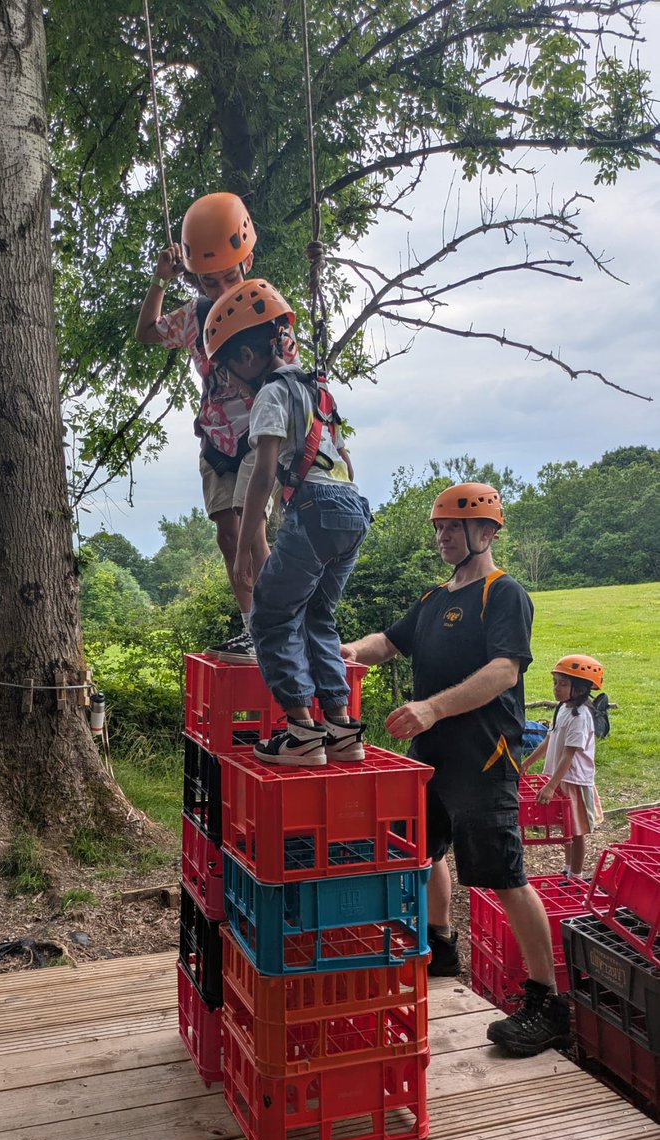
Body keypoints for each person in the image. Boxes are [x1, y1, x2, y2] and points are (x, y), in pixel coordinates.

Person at [341, 482, 570, 1056]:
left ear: (485, 532)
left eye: (453, 527)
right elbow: (385, 643)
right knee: (424, 851)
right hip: (432, 758)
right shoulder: (433, 598)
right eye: (439, 527)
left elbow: (505, 670)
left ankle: (547, 1002)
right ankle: (441, 946)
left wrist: (432, 708)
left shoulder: (503, 593)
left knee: (505, 877)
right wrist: (344, 651)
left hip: (483, 760)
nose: (442, 536)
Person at [203, 278, 370, 767]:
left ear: (248, 357)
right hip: (353, 510)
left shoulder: (271, 395)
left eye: (227, 372)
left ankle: (301, 733)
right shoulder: (318, 390)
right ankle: (341, 730)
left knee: (271, 615)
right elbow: (346, 461)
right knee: (317, 615)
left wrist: (242, 550)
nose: (230, 385)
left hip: (315, 509)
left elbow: (262, 476)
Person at [135, 193, 300, 663]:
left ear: (247, 262)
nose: (221, 287)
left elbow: (291, 375)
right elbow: (147, 332)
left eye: (229, 276)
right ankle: (253, 630)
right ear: (195, 276)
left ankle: (275, 630)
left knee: (252, 530)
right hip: (216, 439)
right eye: (209, 280)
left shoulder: (266, 309)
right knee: (228, 537)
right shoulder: (194, 314)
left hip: (260, 434)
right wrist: (161, 280)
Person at [523, 655, 604, 879]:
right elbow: (549, 739)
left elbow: (569, 754)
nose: (556, 688)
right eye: (555, 682)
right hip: (559, 778)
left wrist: (550, 786)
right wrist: (527, 763)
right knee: (567, 829)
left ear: (581, 688)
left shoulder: (580, 717)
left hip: (574, 781)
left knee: (577, 832)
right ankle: (568, 869)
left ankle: (576, 875)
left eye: (563, 684)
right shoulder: (562, 708)